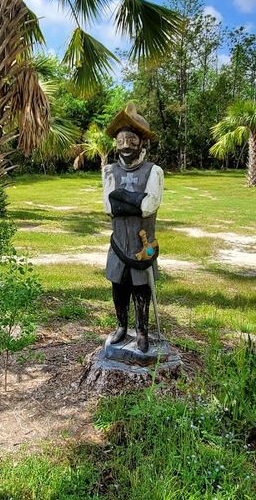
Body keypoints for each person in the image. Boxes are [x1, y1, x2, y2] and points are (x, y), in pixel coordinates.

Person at [102, 104, 164, 353]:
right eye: (121, 140)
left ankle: (142, 330)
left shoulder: (154, 171)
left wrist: (122, 197)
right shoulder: (109, 171)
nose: (126, 145)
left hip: (142, 245)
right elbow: (109, 206)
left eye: (131, 139)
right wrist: (135, 199)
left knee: (141, 289)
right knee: (118, 287)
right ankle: (120, 326)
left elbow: (149, 206)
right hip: (118, 244)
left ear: (142, 142)